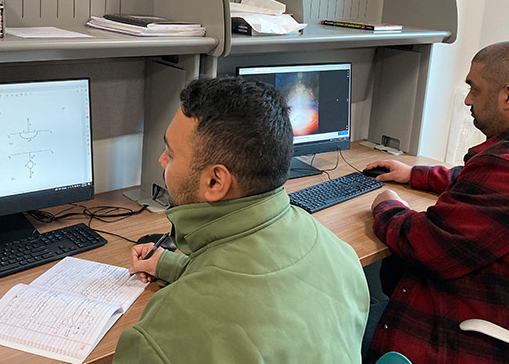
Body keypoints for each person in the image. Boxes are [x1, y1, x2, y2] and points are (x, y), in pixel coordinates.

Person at [113, 76, 369, 364]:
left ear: (214, 181)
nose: (161, 160)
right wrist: (170, 265)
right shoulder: (339, 254)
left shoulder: (163, 336)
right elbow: (252, 281)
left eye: (171, 154)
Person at [363, 40, 509, 364]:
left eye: (474, 88)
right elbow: (483, 183)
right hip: (508, 304)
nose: (468, 99)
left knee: (337, 330)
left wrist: (385, 206)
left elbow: (427, 245)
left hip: (475, 332)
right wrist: (415, 174)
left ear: (508, 96)